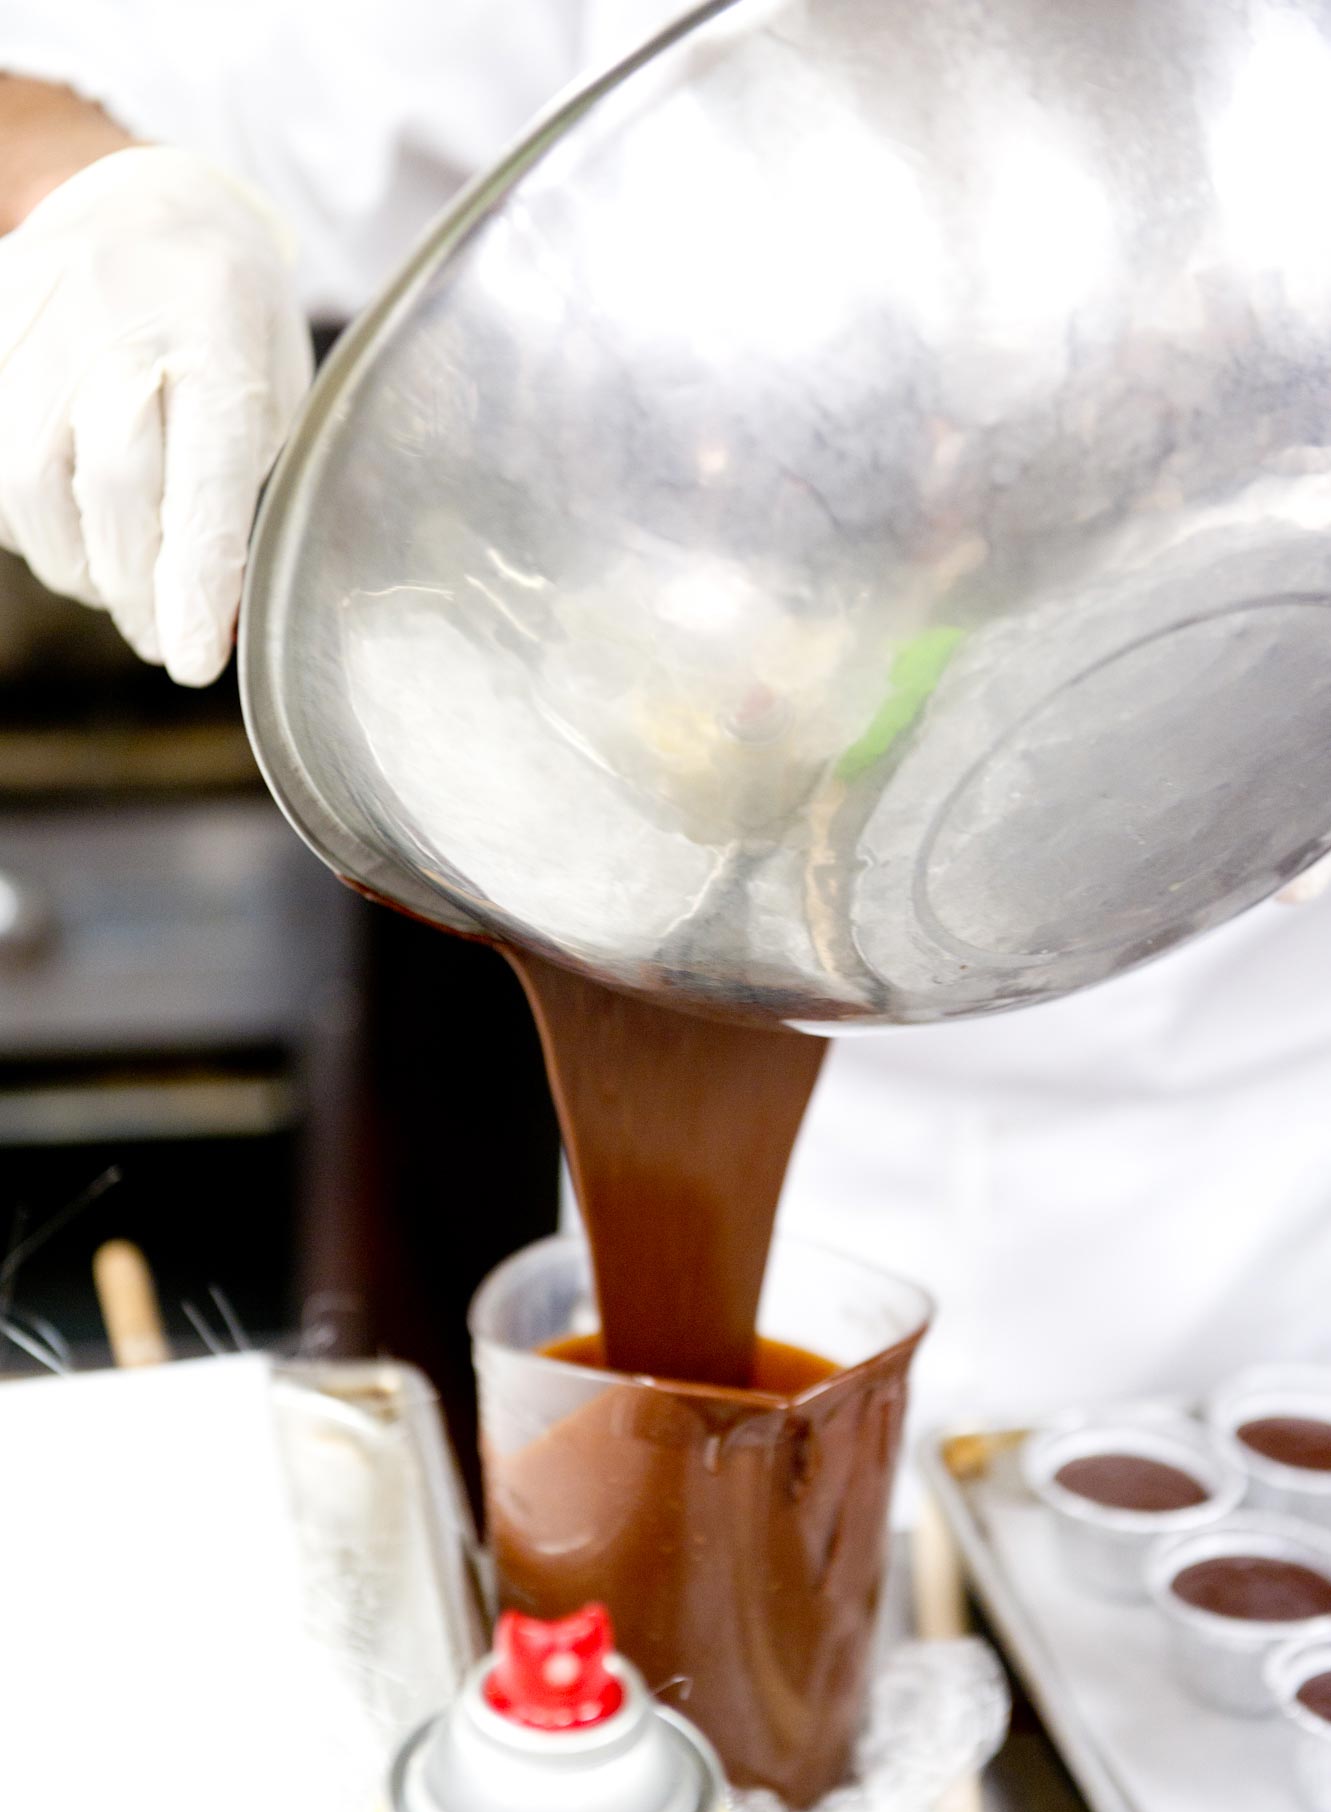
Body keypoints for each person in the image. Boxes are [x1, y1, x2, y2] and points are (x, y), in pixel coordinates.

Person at [2, 2, 1330, 1445]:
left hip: (1275, 1171)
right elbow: (43, 88)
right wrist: (100, 204)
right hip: (751, 1024)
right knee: (717, 1555)